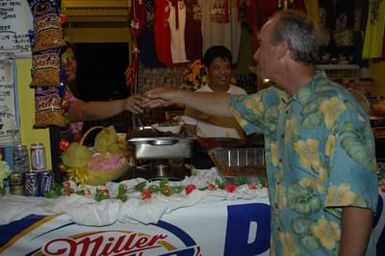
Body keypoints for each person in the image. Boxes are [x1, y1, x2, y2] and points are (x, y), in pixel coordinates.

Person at [142, 10, 378, 255]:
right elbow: (228, 105)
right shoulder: (277, 99)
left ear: (283, 49)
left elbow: (358, 206)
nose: (255, 54)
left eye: (262, 45)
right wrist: (173, 95)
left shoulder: (340, 111)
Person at [60, 42, 144, 141]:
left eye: (73, 58)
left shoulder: (65, 88)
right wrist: (124, 104)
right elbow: (83, 112)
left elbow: (84, 108)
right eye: (65, 59)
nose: (71, 64)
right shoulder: (53, 92)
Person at [183, 45, 246, 139]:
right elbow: (189, 130)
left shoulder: (241, 94)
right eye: (217, 68)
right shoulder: (196, 97)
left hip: (236, 150)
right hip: (208, 151)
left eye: (227, 67)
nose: (223, 72)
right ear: (207, 70)